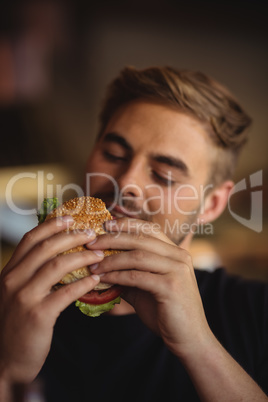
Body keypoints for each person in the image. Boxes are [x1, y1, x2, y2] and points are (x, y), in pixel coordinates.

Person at [0, 66, 267, 402]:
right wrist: (7, 369)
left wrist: (199, 346)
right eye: (113, 155)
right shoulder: (14, 300)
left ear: (211, 205)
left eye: (164, 174)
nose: (126, 182)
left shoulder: (256, 313)